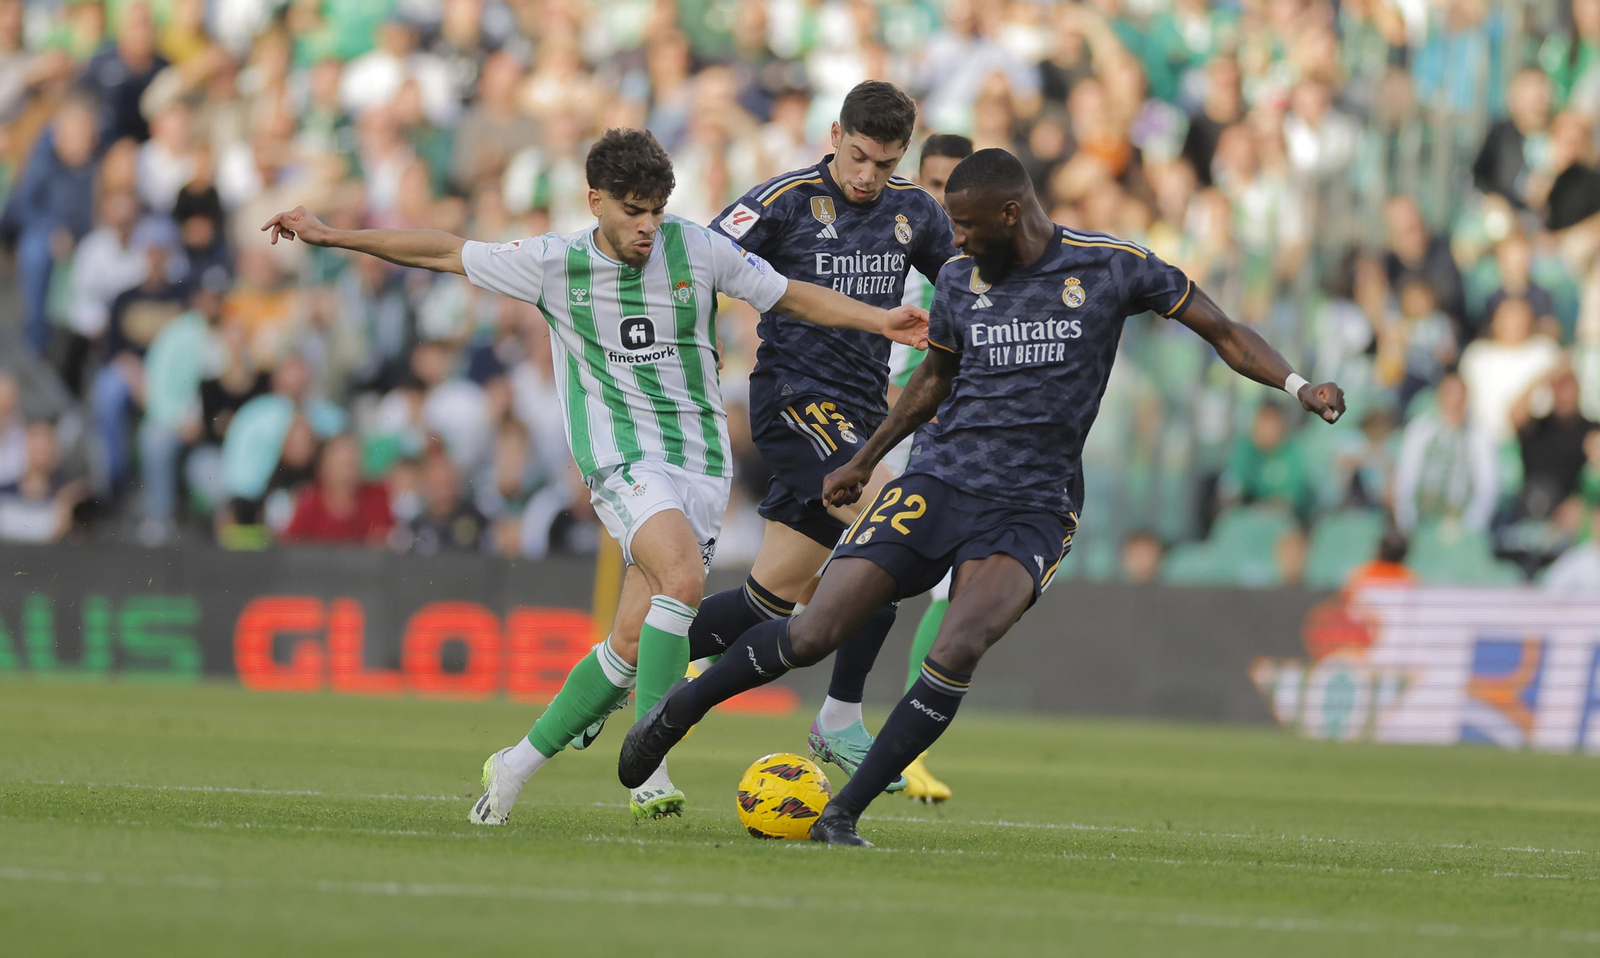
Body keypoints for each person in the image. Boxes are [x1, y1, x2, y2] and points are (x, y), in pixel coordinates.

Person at [618, 148, 1346, 846]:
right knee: (814, 632)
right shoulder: (964, 279)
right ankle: (677, 712)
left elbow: (1220, 330)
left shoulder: (1111, 266)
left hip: (1033, 506)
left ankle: (843, 812)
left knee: (959, 643)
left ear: (1009, 212)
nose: (953, 238)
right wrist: (864, 460)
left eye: (964, 225)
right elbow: (933, 381)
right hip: (938, 482)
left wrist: (1297, 386)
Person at [261, 127, 928, 823]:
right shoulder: (553, 263)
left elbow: (789, 294)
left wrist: (881, 320)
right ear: (594, 201)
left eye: (657, 210)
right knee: (684, 581)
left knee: (632, 646)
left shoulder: (695, 249)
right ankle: (650, 767)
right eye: (632, 210)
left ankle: (513, 766)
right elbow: (441, 250)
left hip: (699, 462)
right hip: (620, 459)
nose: (647, 225)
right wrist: (335, 236)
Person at [681, 82, 957, 797]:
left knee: (765, 598)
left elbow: (962, 288)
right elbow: (698, 262)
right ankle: (838, 716)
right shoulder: (784, 200)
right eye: (859, 156)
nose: (868, 177)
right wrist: (696, 349)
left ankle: (632, 659)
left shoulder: (915, 213)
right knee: (893, 526)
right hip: (795, 402)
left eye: (886, 164)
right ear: (835, 134)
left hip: (862, 419)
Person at [879, 132, 972, 803]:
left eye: (957, 188)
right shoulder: (909, 269)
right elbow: (892, 378)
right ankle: (698, 654)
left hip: (946, 449)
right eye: (935, 185)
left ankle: (911, 754)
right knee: (829, 574)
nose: (945, 201)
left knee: (948, 593)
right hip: (891, 443)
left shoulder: (976, 272)